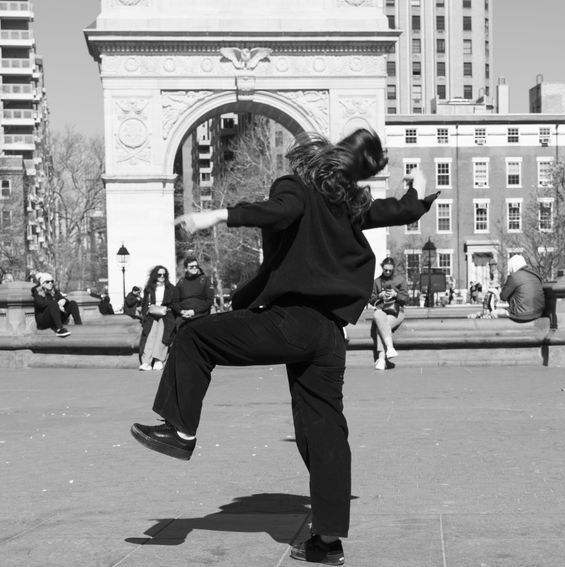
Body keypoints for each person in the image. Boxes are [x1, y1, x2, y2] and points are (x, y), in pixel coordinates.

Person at [130, 128, 439, 565]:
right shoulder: (347, 202)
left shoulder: (297, 187)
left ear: (301, 164)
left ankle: (180, 431)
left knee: (197, 336)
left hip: (291, 322)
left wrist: (218, 215)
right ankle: (327, 542)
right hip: (330, 334)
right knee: (323, 428)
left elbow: (281, 210)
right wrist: (418, 197)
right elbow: (391, 210)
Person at [369, 257, 408, 370]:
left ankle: (381, 359)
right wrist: (379, 296)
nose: (387, 272)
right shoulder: (377, 281)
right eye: (385, 270)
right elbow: (371, 300)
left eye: (390, 270)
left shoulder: (400, 280)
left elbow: (405, 299)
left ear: (393, 269)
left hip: (396, 312)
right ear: (382, 268)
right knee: (377, 315)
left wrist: (396, 295)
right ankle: (390, 348)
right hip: (381, 310)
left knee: (380, 328)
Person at [138, 265, 178, 371]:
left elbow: (175, 303)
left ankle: (158, 360)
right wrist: (144, 315)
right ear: (155, 275)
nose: (162, 276)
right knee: (150, 335)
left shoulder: (171, 288)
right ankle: (146, 362)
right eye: (159, 274)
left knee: (162, 334)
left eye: (164, 275)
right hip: (152, 315)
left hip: (167, 315)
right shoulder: (149, 288)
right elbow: (145, 303)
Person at [32, 273, 82, 337]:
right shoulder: (38, 291)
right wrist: (57, 304)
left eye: (52, 281)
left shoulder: (54, 291)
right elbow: (39, 304)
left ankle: (79, 325)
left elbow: (62, 298)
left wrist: (64, 300)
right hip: (43, 321)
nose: (50, 283)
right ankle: (60, 330)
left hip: (55, 317)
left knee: (72, 303)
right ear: (42, 284)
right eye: (47, 282)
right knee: (53, 303)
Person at [499, 254, 545, 323]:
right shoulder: (535, 274)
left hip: (522, 315)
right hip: (538, 313)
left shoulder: (514, 277)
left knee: (494, 313)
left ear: (513, 266)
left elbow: (503, 296)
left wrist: (508, 280)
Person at [172, 256, 214, 324]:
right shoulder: (181, 282)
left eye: (196, 266)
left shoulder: (205, 280)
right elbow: (175, 301)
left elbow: (209, 301)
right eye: (191, 266)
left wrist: (194, 311)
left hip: (201, 316)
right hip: (183, 316)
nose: (194, 268)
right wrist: (181, 311)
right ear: (185, 269)